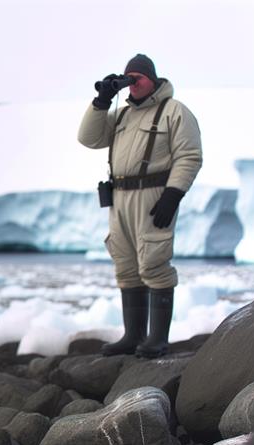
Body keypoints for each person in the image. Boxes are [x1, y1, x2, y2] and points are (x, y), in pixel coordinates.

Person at [78, 54, 203, 358]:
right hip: (120, 196)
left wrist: (173, 194)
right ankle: (133, 336)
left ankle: (157, 338)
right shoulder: (121, 115)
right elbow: (88, 138)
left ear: (153, 79)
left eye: (139, 77)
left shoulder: (174, 111)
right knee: (126, 264)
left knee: (154, 261)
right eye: (128, 78)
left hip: (153, 194)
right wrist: (101, 102)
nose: (133, 83)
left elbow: (190, 156)